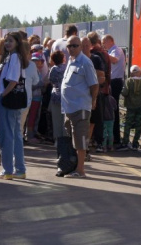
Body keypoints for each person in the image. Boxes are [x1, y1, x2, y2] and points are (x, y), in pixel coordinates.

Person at [60, 35, 98, 178]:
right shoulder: (71, 61)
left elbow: (94, 85)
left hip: (80, 107)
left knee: (80, 138)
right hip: (69, 108)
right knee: (73, 137)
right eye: (69, 46)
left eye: (75, 46)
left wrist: (93, 102)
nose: (71, 48)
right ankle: (74, 166)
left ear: (81, 47)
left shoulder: (85, 62)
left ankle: (81, 170)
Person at [0, 32, 29, 180]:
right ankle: (19, 169)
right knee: (15, 135)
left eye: (10, 41)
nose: (7, 43)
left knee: (6, 135)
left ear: (17, 43)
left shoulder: (14, 57)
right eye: (6, 41)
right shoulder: (14, 57)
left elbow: (13, 80)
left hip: (8, 100)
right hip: (13, 100)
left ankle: (8, 169)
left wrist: (3, 95)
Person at [121, 65, 141, 150]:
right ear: (139, 72)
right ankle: (135, 144)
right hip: (140, 106)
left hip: (130, 106)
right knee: (138, 125)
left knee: (128, 124)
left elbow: (125, 93)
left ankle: (125, 142)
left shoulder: (129, 81)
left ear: (131, 73)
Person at [103, 34, 125, 148]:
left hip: (115, 81)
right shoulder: (112, 50)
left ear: (110, 41)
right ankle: (113, 136)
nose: (103, 44)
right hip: (113, 81)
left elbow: (115, 60)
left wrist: (103, 54)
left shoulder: (116, 50)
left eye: (104, 42)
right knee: (111, 109)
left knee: (112, 109)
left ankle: (116, 137)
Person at [47, 50, 66, 146]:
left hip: (55, 95)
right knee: (64, 119)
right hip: (65, 96)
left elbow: (51, 81)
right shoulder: (66, 68)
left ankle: (57, 140)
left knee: (56, 120)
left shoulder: (53, 69)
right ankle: (65, 139)